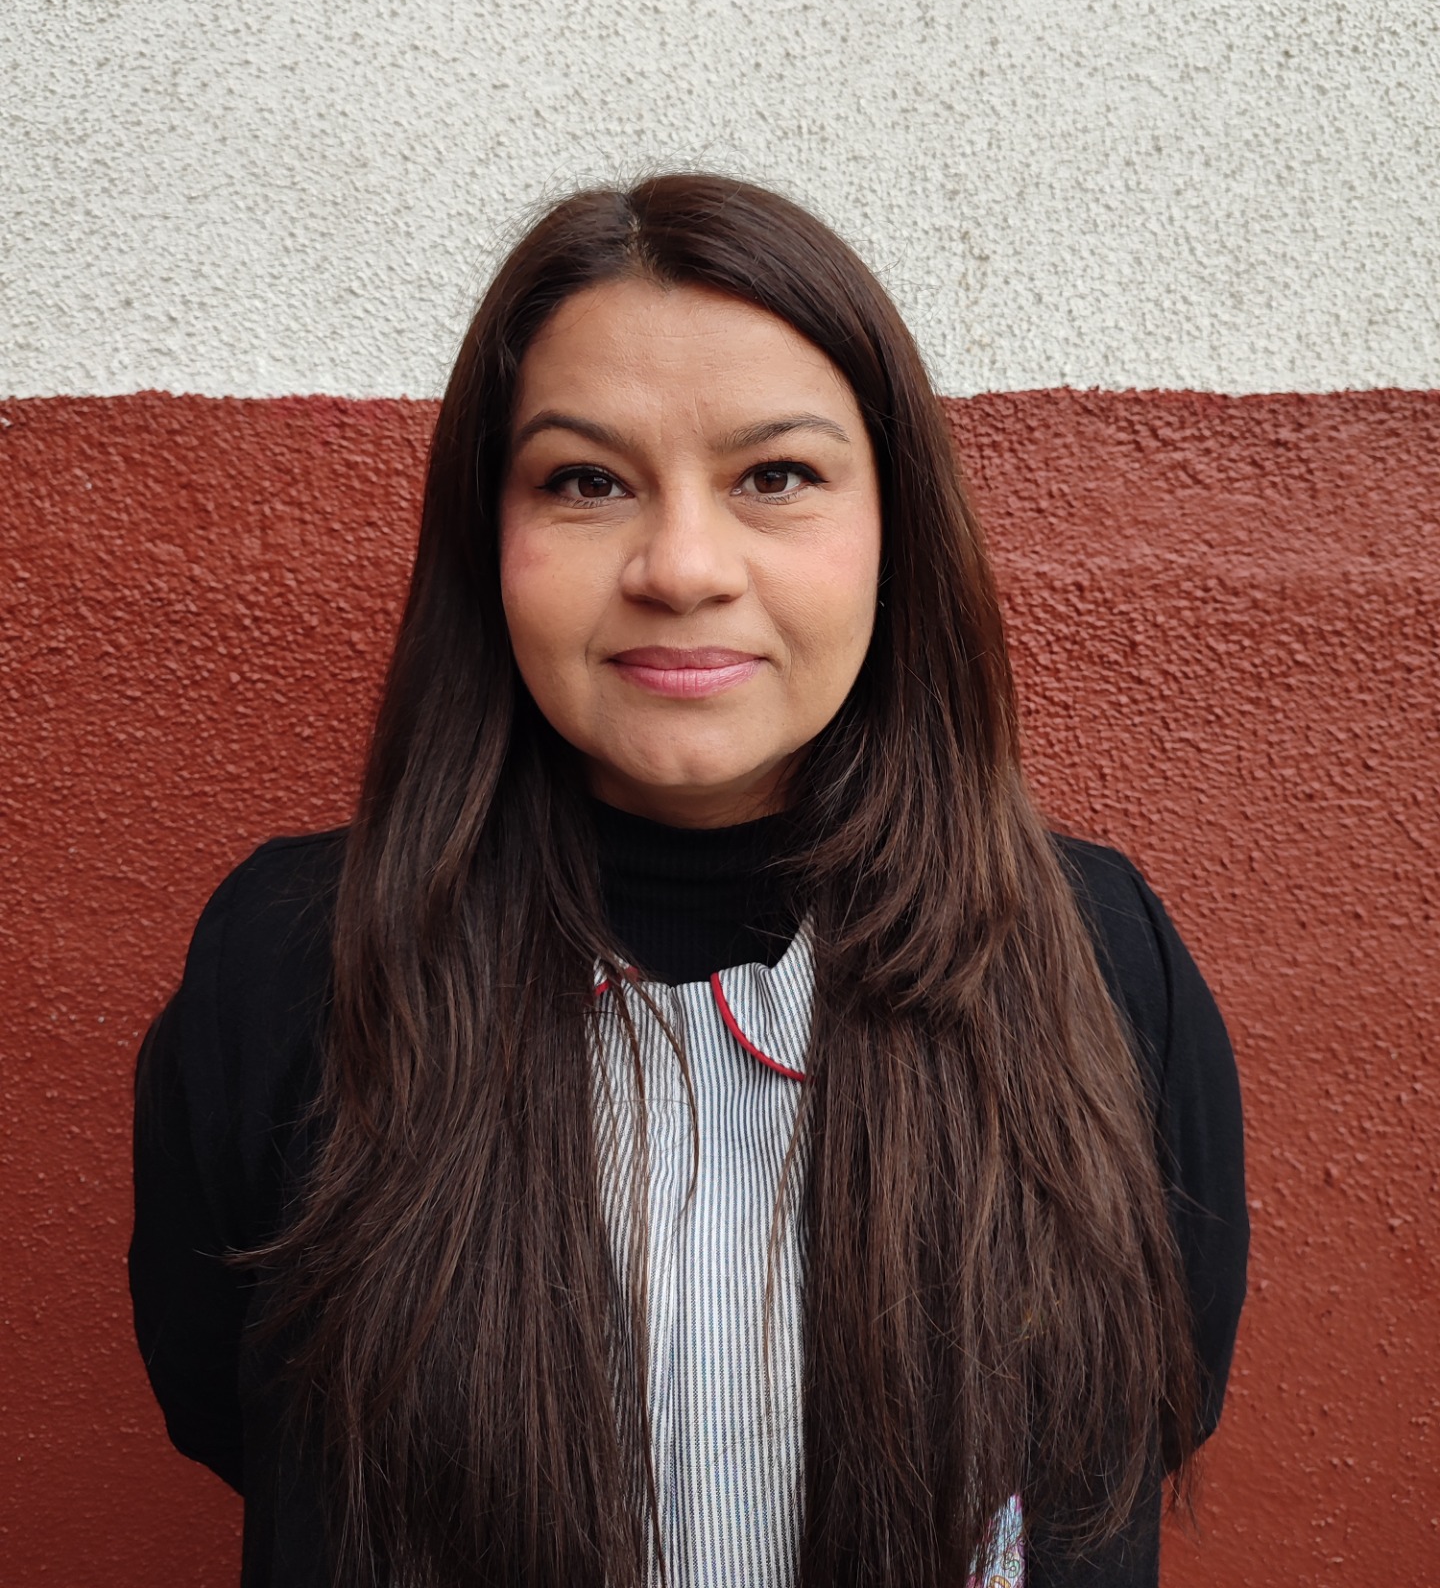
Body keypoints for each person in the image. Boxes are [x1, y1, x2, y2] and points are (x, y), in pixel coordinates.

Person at [130, 174, 1247, 1588]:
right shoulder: (291, 965)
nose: (682, 567)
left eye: (775, 476)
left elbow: (1143, 1414)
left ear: (893, 531)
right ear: (489, 537)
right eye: (585, 481)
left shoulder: (1100, 960)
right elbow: (237, 1412)